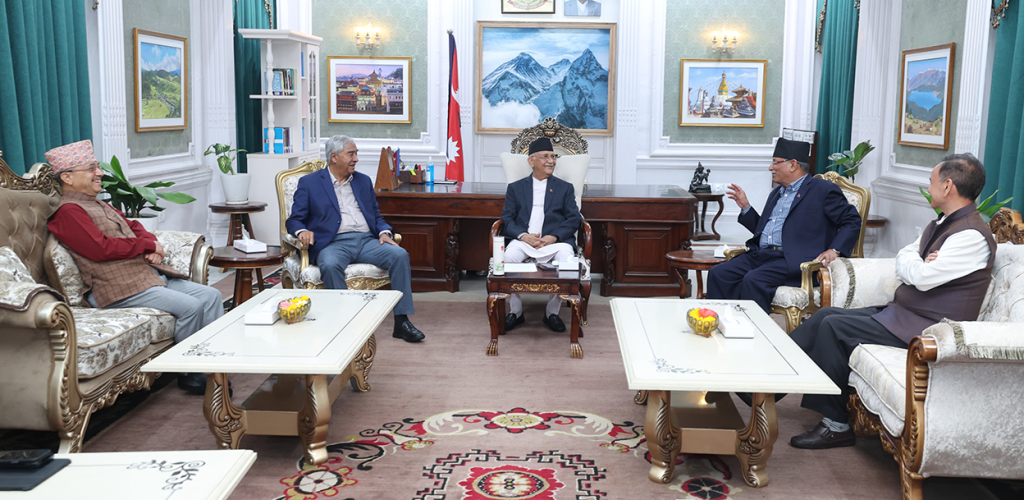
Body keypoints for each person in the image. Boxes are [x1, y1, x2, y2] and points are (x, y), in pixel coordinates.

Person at [788, 153, 996, 450]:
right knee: (825, 315)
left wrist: (917, 263)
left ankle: (835, 425)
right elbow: (905, 256)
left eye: (931, 182)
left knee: (834, 327)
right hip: (904, 315)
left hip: (929, 330)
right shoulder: (944, 224)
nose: (929, 187)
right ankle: (767, 383)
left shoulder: (971, 236)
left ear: (948, 186)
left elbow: (922, 277)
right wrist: (918, 260)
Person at [45, 140, 223, 395]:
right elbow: (100, 248)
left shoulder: (96, 203)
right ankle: (190, 372)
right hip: (116, 288)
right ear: (67, 177)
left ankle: (212, 362)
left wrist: (152, 245)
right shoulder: (68, 212)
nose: (99, 173)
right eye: (91, 168)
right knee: (191, 307)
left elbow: (134, 225)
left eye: (97, 167)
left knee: (211, 296)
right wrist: (145, 245)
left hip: (144, 278)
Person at [286, 135, 425, 342]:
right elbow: (294, 219)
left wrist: (384, 232)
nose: (356, 159)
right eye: (351, 154)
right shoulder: (310, 183)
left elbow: (375, 216)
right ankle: (345, 323)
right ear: (334, 157)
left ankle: (401, 321)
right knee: (330, 264)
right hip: (333, 243)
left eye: (356, 154)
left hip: (367, 240)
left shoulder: (363, 181)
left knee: (400, 255)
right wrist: (302, 231)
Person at [705, 138, 862, 313]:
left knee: (753, 280)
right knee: (719, 273)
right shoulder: (776, 193)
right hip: (762, 255)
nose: (770, 168)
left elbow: (852, 220)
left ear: (792, 165)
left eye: (775, 162)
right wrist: (746, 208)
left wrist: (835, 249)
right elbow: (764, 232)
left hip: (792, 259)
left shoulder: (823, 190)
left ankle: (754, 327)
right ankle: (718, 321)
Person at [500, 137, 583, 333]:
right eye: (545, 156)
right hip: (524, 241)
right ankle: (516, 312)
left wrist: (553, 236)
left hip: (554, 242)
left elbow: (574, 218)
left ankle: (552, 313)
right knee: (507, 257)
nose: (551, 161)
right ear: (531, 161)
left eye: (553, 157)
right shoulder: (515, 188)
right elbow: (507, 219)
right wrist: (523, 235)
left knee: (566, 260)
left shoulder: (565, 188)